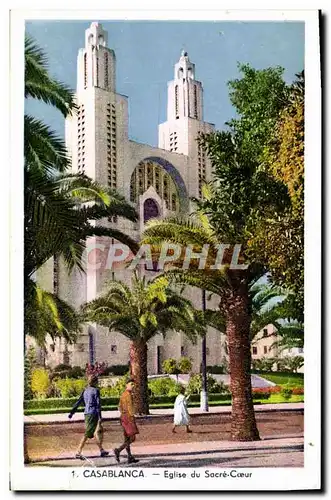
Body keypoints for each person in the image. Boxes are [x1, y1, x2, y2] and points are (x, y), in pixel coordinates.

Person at [68, 375, 109, 459]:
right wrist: (100, 417)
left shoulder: (85, 390)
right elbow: (98, 405)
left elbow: (78, 402)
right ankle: (78, 451)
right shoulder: (96, 391)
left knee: (95, 432)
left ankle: (101, 450)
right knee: (88, 433)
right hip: (93, 414)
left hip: (87, 414)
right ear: (95, 382)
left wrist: (72, 412)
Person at [113, 379, 139, 464]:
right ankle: (118, 450)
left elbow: (119, 406)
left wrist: (123, 413)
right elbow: (130, 408)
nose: (133, 386)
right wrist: (132, 417)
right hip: (128, 417)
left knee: (126, 438)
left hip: (123, 417)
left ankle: (129, 456)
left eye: (134, 384)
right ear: (126, 385)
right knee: (132, 438)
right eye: (131, 384)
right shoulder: (129, 395)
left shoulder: (123, 394)